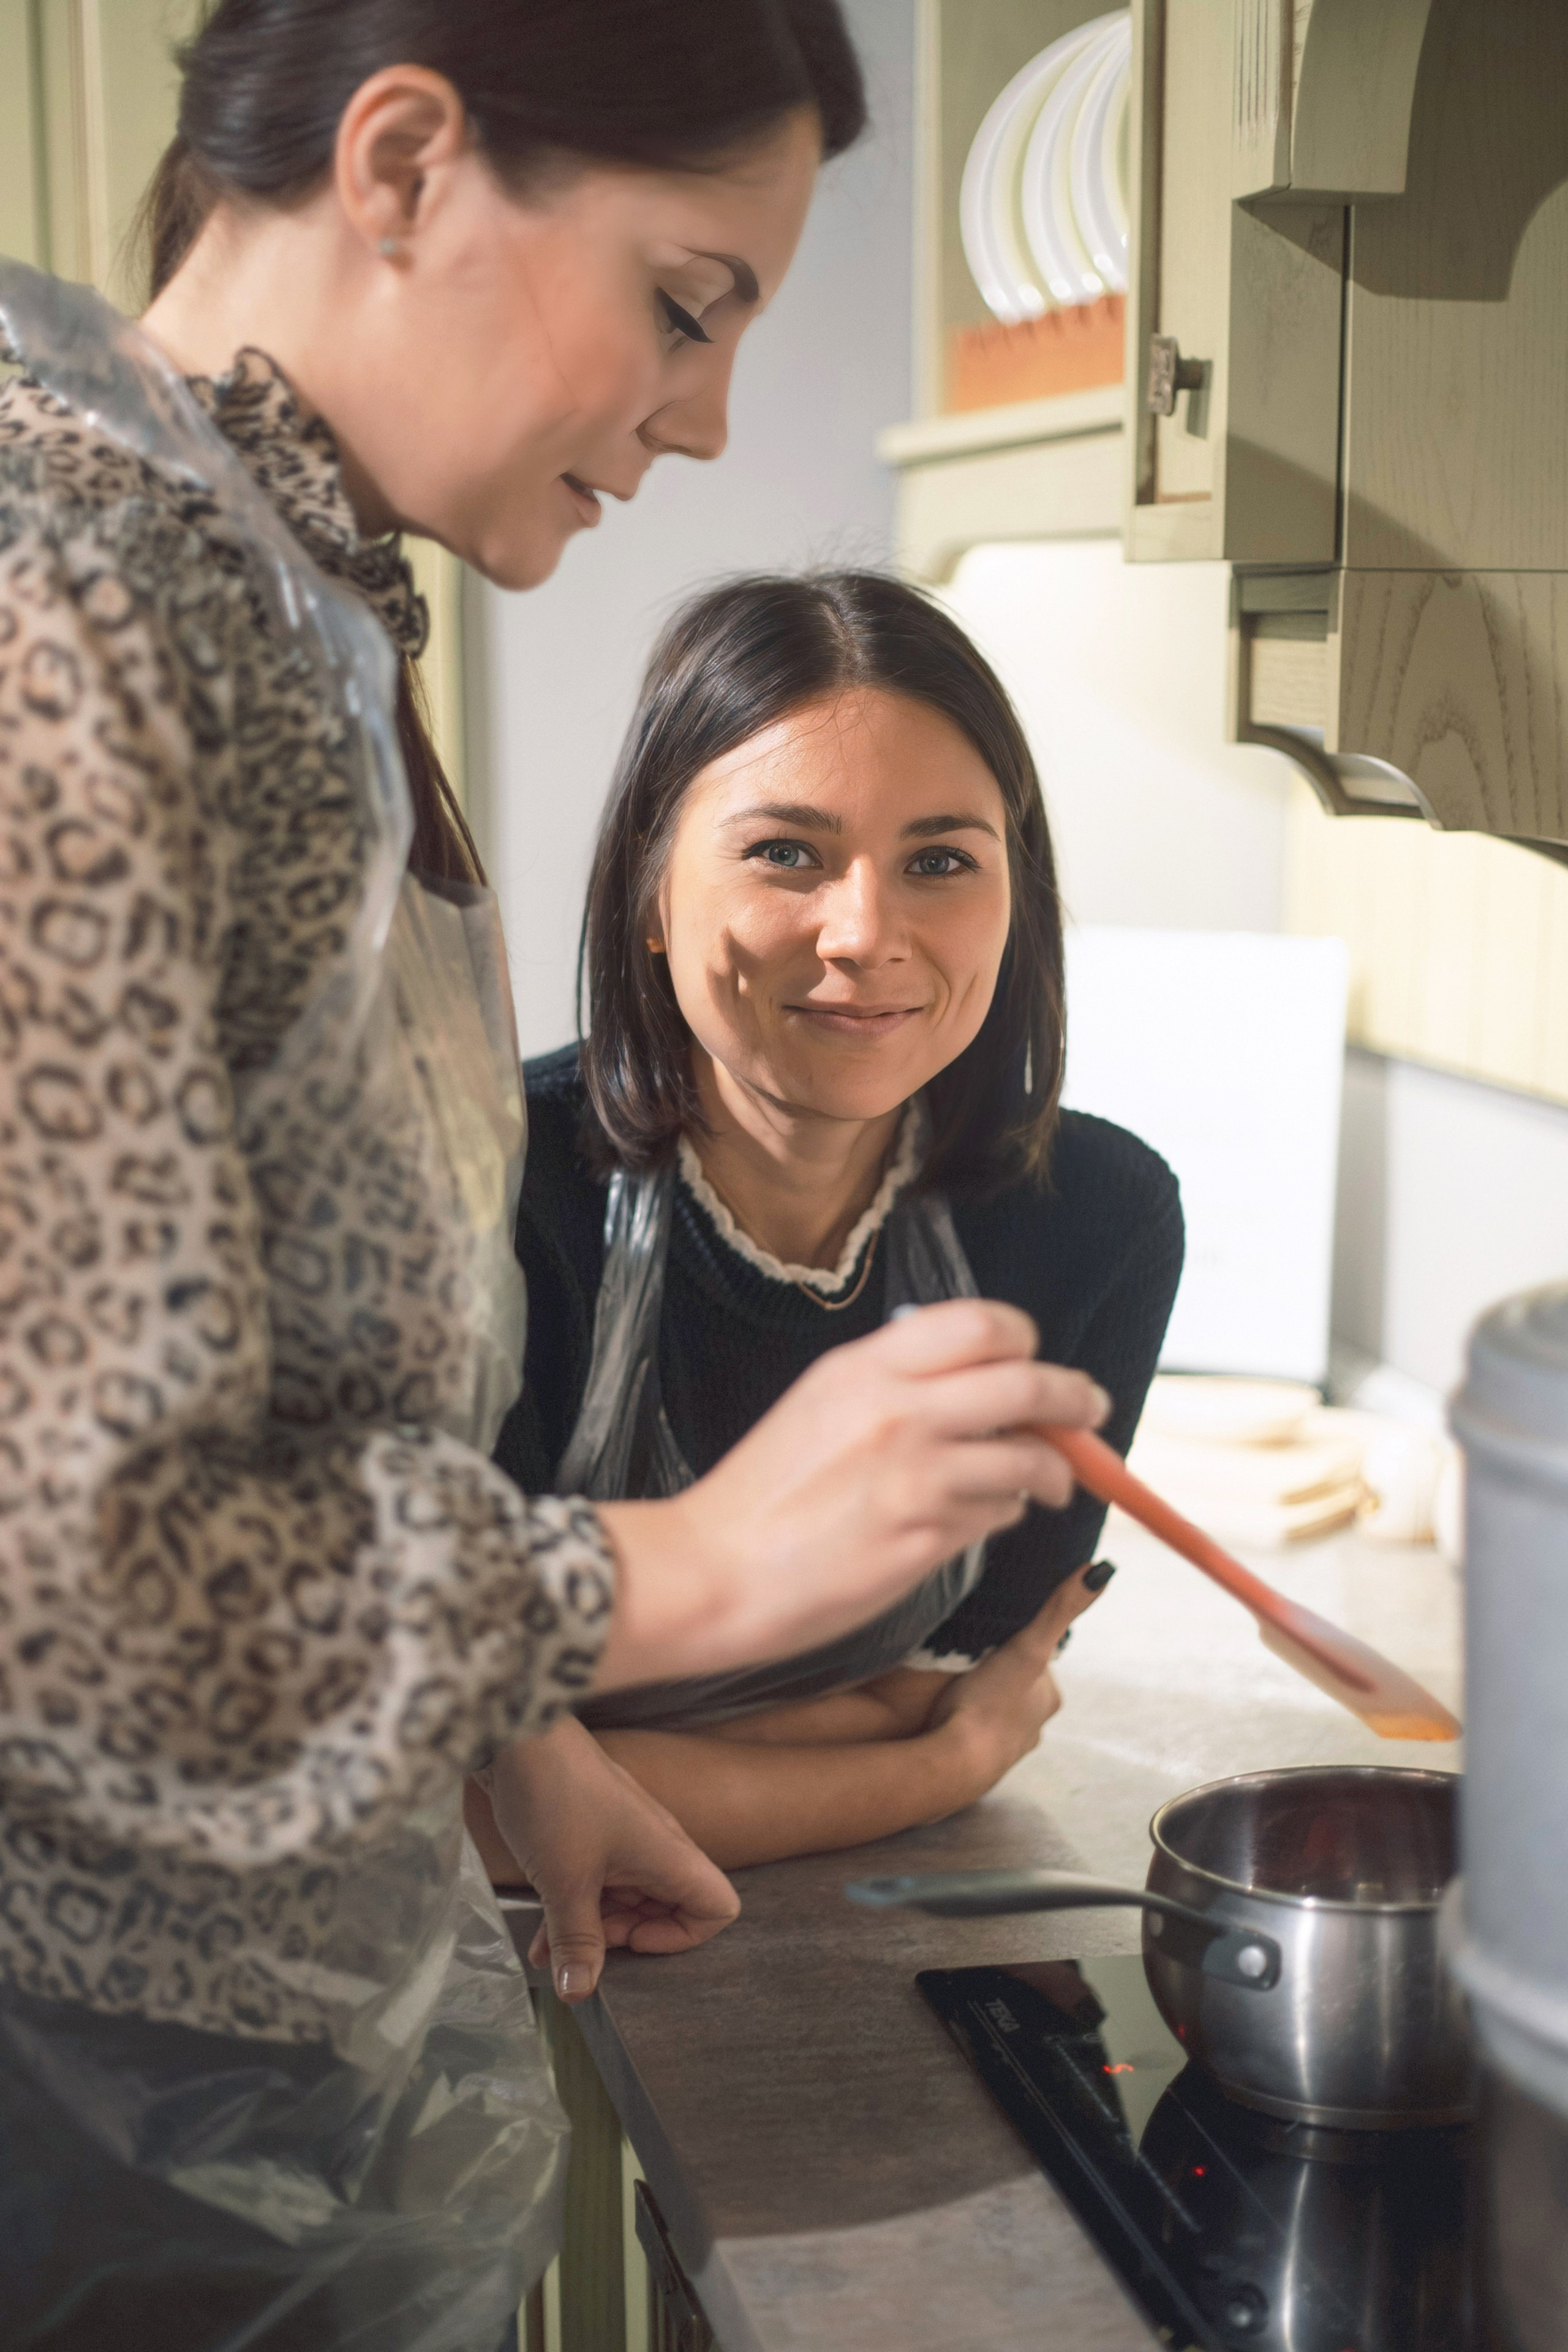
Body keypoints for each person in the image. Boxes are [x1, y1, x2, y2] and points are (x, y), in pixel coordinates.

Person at [0, 7, 1117, 2346]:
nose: (704, 415)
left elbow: (282, 1394)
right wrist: (679, 1573)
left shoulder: (294, 613)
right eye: (687, 301)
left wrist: (521, 1752)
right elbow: (72, 1592)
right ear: (401, 163)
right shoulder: (71, 623)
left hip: (270, 2087)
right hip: (94, 2138)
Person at [475, 571, 1184, 1878]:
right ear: (649, 886)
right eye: (783, 853)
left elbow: (956, 1670)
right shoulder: (494, 1196)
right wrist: (938, 1766)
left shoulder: (1093, 1219)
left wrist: (584, 1744)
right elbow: (448, 1795)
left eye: (938, 861)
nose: (863, 934)